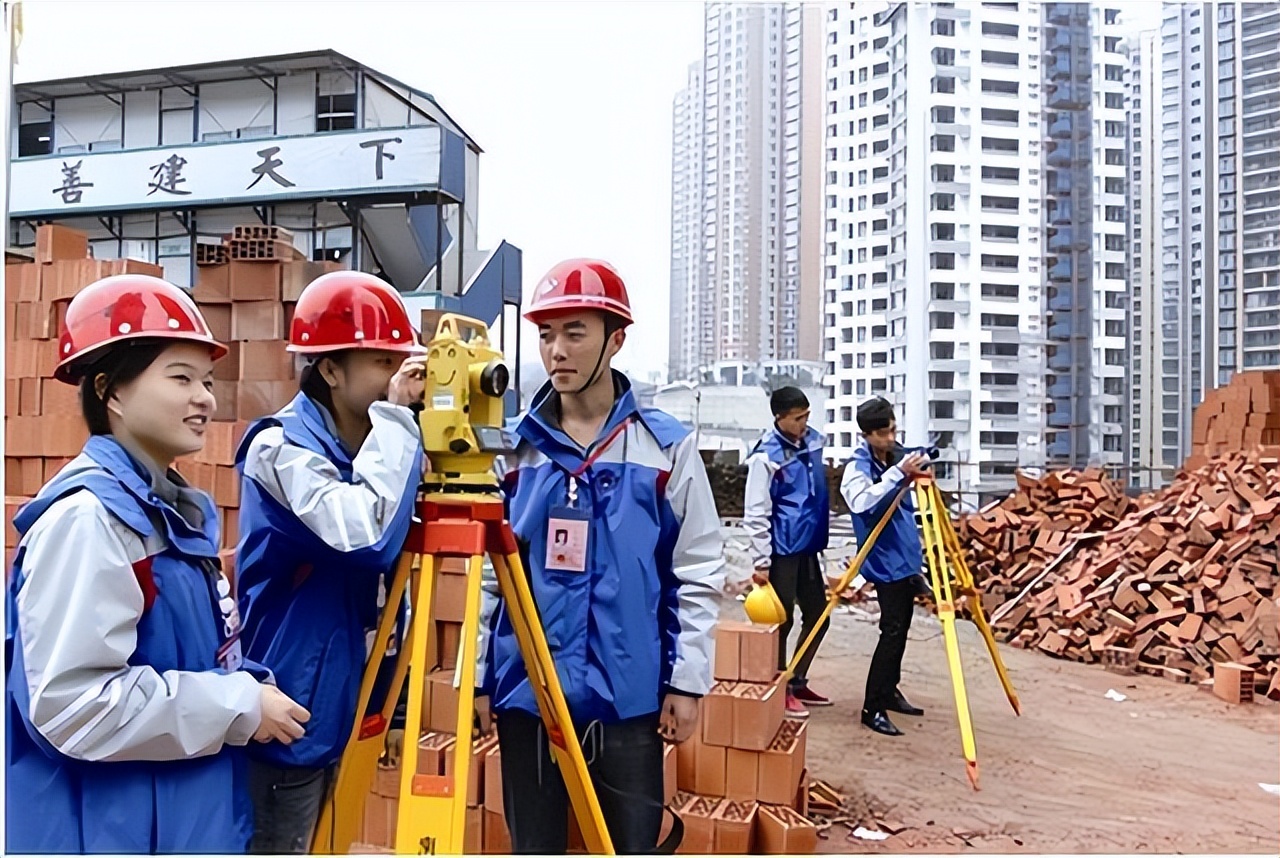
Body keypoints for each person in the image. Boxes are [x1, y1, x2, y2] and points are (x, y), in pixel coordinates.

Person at [4, 274, 310, 854]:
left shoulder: (167, 513)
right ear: (110, 392)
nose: (205, 398)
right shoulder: (90, 521)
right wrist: (237, 705)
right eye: (181, 378)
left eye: (207, 381)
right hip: (108, 833)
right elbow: (73, 707)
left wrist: (243, 688)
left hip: (176, 822)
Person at [477, 258, 724, 854]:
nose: (556, 350)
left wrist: (687, 683)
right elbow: (488, 576)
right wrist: (481, 679)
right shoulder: (513, 452)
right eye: (546, 334)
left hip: (630, 699)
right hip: (529, 699)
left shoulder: (667, 448)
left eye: (574, 332)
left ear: (615, 339)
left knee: (628, 848)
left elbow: (697, 569)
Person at [234, 271, 427, 853]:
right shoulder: (279, 449)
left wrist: (390, 709)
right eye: (381, 362)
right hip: (289, 716)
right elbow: (363, 537)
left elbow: (390, 596)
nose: (398, 379)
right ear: (330, 368)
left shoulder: (374, 449)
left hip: (348, 706)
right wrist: (400, 424)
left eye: (402, 361)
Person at [839, 396, 931, 737]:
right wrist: (898, 474)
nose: (890, 439)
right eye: (882, 434)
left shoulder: (895, 455)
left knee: (901, 629)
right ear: (867, 434)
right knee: (891, 633)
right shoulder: (858, 467)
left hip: (905, 556)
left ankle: (890, 689)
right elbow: (862, 501)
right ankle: (872, 706)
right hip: (884, 558)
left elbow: (913, 455)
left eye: (893, 430)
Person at [743, 386, 832, 719]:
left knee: (818, 616)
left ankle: (796, 678)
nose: (804, 423)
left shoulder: (812, 442)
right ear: (779, 418)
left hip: (808, 544)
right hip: (781, 548)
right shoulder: (766, 456)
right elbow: (756, 510)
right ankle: (776, 687)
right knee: (780, 621)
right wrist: (761, 560)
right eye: (797, 418)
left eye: (807, 415)